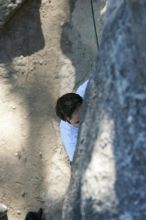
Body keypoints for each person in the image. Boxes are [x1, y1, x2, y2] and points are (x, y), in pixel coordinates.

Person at [55, 80, 89, 161]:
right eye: (78, 122)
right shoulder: (70, 137)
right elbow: (78, 161)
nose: (85, 121)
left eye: (84, 113)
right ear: (68, 122)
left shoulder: (86, 90)